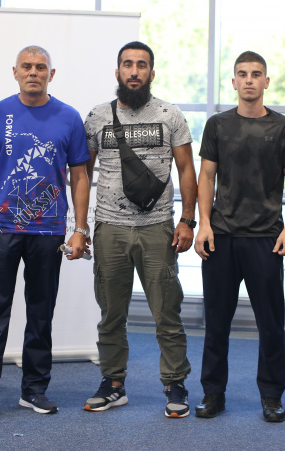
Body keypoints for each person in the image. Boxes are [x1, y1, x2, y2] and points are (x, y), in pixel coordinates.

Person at [0, 46, 91, 421]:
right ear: (15, 72)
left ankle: (34, 390)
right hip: (1, 228)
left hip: (48, 230)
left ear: (51, 74)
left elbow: (79, 176)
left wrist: (80, 228)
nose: (33, 72)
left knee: (40, 313)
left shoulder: (68, 117)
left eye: (40, 67)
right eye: (27, 66)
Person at [83, 41, 197, 418]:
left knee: (167, 312)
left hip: (157, 228)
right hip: (110, 229)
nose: (134, 71)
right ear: (117, 72)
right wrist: (79, 225)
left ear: (152, 72)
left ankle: (175, 383)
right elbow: (82, 174)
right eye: (128, 65)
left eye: (142, 65)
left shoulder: (169, 114)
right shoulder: (98, 116)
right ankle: (113, 384)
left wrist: (187, 220)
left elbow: (187, 169)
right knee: (111, 314)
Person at [194, 51, 285, 422]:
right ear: (234, 82)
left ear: (266, 82)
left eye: (256, 74)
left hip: (266, 238)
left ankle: (272, 396)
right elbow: (206, 176)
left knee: (270, 324)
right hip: (221, 237)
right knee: (216, 322)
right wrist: (203, 224)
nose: (249, 80)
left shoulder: (283, 127)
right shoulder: (218, 125)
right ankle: (213, 393)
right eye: (243, 74)